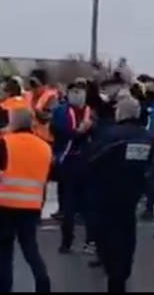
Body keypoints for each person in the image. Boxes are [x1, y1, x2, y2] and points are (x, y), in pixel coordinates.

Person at [86, 96, 154, 292]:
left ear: (121, 113)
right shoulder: (147, 137)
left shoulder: (110, 135)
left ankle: (114, 274)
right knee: (126, 237)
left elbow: (91, 160)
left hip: (105, 195)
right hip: (131, 196)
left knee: (106, 238)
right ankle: (121, 274)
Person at [0, 109, 52, 293]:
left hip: (5, 205)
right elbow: (46, 178)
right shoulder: (44, 147)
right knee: (31, 249)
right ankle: (43, 283)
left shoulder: (5, 142)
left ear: (13, 123)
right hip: (31, 206)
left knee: (4, 253)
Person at [52, 80, 97, 254]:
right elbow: (57, 130)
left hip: (87, 161)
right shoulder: (61, 112)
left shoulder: (90, 112)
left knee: (89, 204)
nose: (77, 95)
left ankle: (91, 241)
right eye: (74, 91)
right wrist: (78, 132)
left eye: (81, 91)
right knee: (69, 204)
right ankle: (66, 241)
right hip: (68, 160)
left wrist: (90, 128)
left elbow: (97, 132)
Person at [24, 69, 59, 143]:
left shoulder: (51, 98)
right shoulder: (27, 96)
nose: (33, 88)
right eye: (31, 85)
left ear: (44, 85)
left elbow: (48, 117)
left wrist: (36, 112)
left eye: (36, 85)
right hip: (30, 137)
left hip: (45, 140)